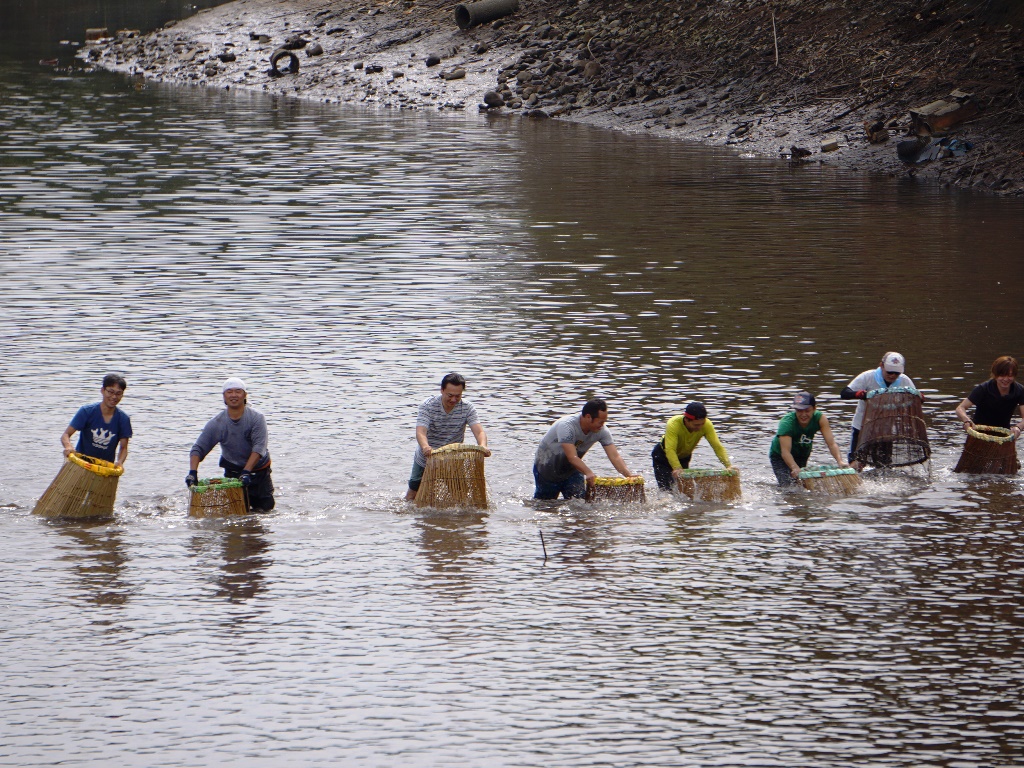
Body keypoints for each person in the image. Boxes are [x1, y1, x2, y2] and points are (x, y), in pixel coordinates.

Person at [186, 377, 274, 511]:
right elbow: (198, 449)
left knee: (264, 511)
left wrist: (246, 472)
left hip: (259, 473)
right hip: (232, 474)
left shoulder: (256, 418)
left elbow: (259, 448)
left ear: (244, 395)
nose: (234, 395)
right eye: (229, 392)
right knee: (235, 512)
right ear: (224, 397)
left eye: (238, 391)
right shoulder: (217, 423)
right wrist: (192, 472)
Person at [406, 372, 490, 502]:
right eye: (450, 395)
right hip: (427, 457)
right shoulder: (428, 405)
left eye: (458, 396)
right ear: (442, 390)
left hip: (453, 457)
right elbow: (421, 432)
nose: (453, 400)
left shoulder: (467, 407)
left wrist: (483, 446)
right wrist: (425, 447)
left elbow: (479, 431)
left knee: (460, 496)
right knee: (413, 494)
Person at [533, 398, 639, 499]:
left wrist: (628, 475)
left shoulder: (602, 431)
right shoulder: (566, 426)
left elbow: (615, 456)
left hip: (572, 471)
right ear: (588, 417)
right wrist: (588, 472)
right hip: (546, 470)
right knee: (545, 507)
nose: (602, 425)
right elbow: (572, 457)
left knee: (580, 505)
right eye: (600, 422)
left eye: (604, 422)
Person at [839, 351, 918, 466]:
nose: (892, 376)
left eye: (896, 373)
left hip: (885, 430)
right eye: (889, 372)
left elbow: (915, 398)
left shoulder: (904, 380)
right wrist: (860, 394)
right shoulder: (868, 377)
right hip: (862, 427)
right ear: (881, 365)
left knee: (884, 466)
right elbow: (844, 393)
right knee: (857, 463)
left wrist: (919, 397)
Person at [769, 391, 848, 485]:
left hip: (802, 453)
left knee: (801, 484)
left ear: (814, 409)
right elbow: (785, 452)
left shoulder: (820, 418)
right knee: (787, 486)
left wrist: (840, 461)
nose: (803, 415)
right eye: (799, 411)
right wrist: (794, 468)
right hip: (780, 456)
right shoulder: (787, 423)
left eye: (807, 410)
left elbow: (831, 443)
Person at [651, 402, 733, 490]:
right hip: (663, 456)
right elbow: (670, 449)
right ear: (686, 419)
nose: (700, 427)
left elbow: (717, 446)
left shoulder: (707, 425)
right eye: (696, 425)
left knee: (684, 490)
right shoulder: (673, 424)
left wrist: (728, 466)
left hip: (684, 457)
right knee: (667, 490)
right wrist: (677, 468)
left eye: (702, 424)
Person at [61, 373, 132, 467]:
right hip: (81, 464)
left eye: (118, 393)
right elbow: (65, 435)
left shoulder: (123, 419)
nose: (114, 397)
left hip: (105, 468)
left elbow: (123, 448)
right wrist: (68, 446)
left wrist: (120, 462)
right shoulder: (86, 411)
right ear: (102, 391)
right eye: (110, 392)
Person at [954, 355, 1024, 439]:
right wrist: (966, 421)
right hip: (979, 433)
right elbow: (960, 408)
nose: (1006, 379)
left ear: (1014, 376)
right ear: (995, 374)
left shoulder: (1019, 391)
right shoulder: (983, 389)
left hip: (1003, 434)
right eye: (1002, 375)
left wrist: (1018, 427)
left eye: (1010, 376)